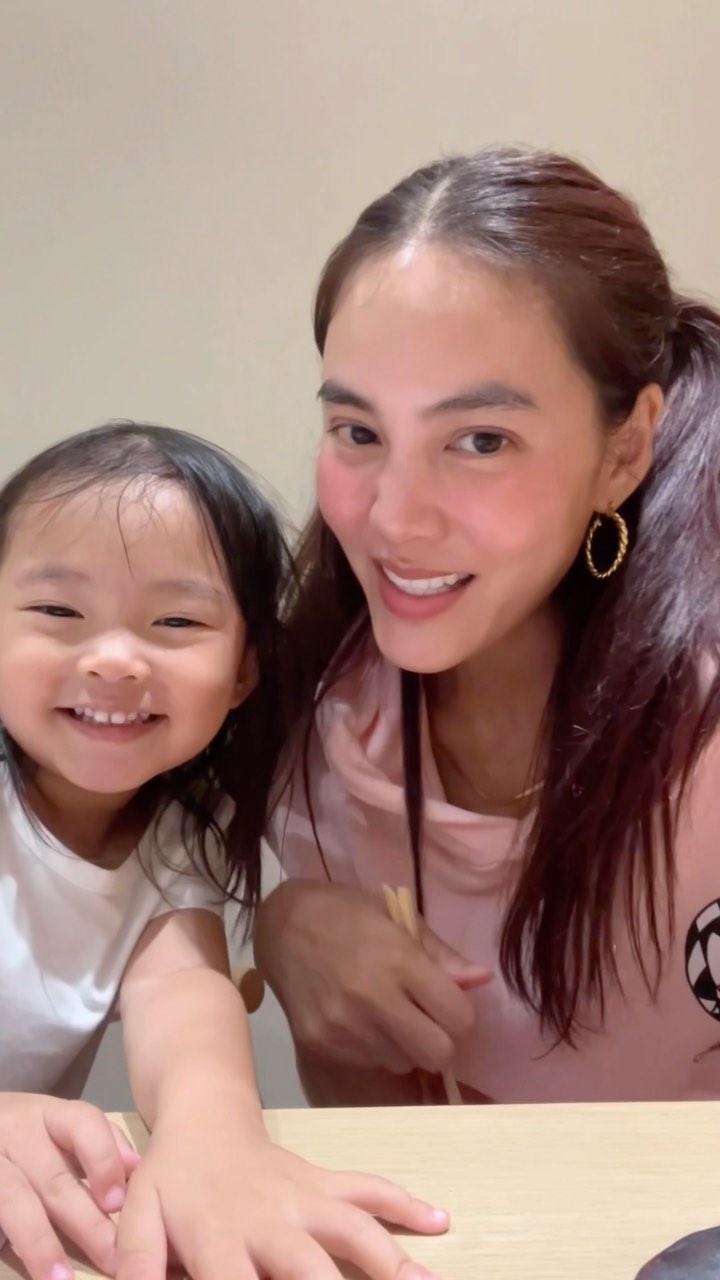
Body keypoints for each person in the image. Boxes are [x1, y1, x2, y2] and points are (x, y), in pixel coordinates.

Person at [256, 145, 720, 1108]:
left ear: (624, 451)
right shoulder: (323, 737)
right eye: (359, 432)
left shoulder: (701, 737)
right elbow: (402, 1151)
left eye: (480, 440)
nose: (393, 520)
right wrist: (285, 930)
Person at [0, 421, 448, 1280]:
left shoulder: (182, 832)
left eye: (175, 620)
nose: (114, 659)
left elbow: (182, 992)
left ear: (244, 671)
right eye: (58, 612)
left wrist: (216, 1142)